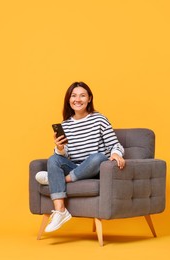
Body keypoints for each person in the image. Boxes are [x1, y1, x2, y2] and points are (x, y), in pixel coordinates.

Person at [35, 81, 125, 232]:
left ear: (89, 98)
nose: (78, 99)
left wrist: (116, 154)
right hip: (75, 167)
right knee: (53, 158)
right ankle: (61, 210)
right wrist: (60, 147)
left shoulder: (99, 119)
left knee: (97, 157)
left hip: (95, 168)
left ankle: (57, 180)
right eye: (74, 96)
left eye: (82, 96)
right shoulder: (66, 125)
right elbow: (65, 156)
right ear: (69, 100)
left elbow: (115, 145)